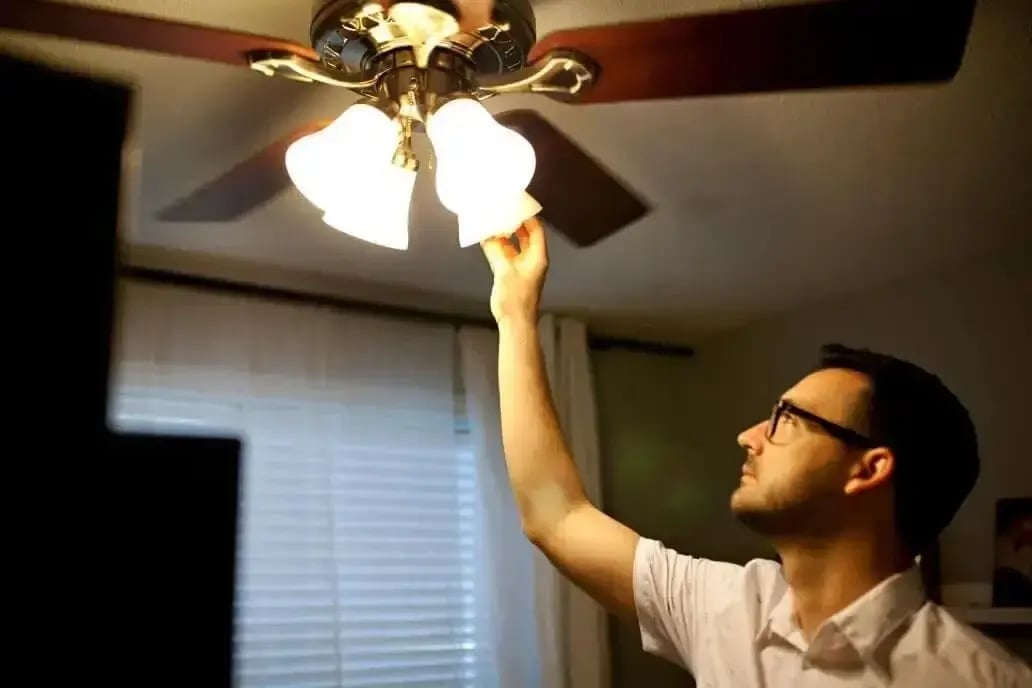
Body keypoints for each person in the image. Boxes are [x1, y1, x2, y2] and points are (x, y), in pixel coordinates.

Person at [478, 218, 1032, 687]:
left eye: (785, 419)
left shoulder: (979, 677)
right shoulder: (725, 607)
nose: (749, 435)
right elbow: (556, 514)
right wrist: (515, 313)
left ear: (869, 468)